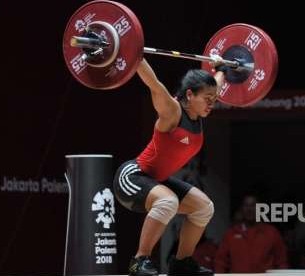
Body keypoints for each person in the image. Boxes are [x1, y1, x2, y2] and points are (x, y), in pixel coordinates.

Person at [112, 58, 226, 276]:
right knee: (168, 201)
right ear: (189, 95)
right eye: (207, 99)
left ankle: (181, 263)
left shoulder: (199, 110)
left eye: (214, 98)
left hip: (156, 181)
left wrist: (221, 69)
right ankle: (139, 261)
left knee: (204, 208)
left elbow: (216, 85)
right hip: (131, 178)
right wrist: (134, 55)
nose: (212, 103)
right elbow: (153, 83)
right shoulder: (172, 112)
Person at [214, 194, 288, 273]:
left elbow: (281, 263)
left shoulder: (271, 233)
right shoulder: (231, 234)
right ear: (241, 208)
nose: (249, 209)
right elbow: (220, 263)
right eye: (246, 205)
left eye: (253, 205)